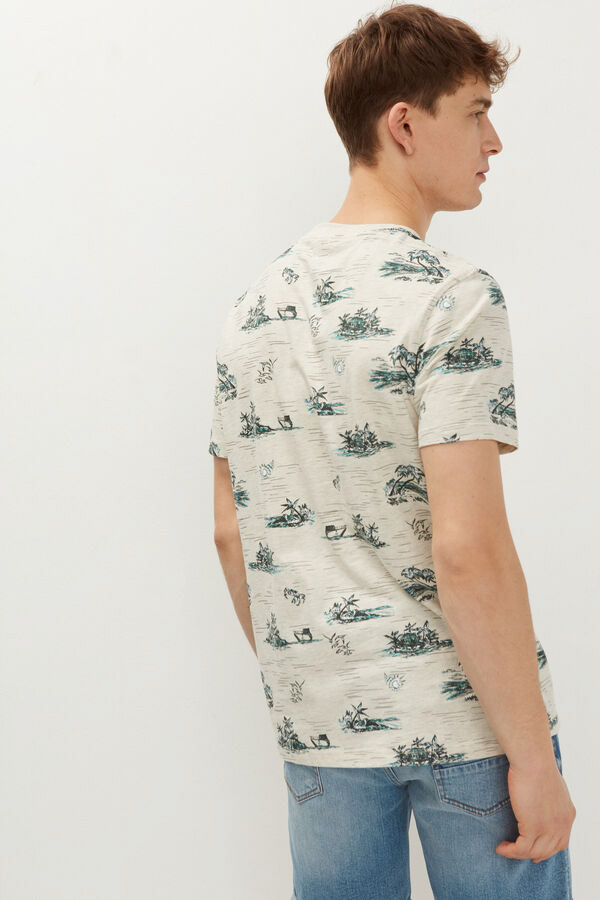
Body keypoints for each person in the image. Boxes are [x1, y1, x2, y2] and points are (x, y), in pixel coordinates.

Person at [208, 3, 576, 897]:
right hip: (466, 731)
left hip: (322, 729)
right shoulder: (453, 298)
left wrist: (318, 680)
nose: (495, 141)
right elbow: (467, 547)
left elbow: (229, 532)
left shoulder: (253, 308)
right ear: (404, 125)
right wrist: (533, 759)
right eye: (477, 112)